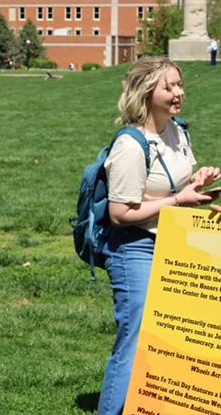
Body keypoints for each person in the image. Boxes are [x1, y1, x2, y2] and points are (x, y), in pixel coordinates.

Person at [96, 56, 219, 415]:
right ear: (147, 92)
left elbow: (175, 184)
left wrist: (198, 182)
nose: (179, 93)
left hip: (174, 242)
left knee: (174, 337)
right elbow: (120, 214)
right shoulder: (131, 145)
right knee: (134, 340)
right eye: (170, 87)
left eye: (180, 85)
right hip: (135, 247)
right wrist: (180, 200)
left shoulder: (176, 130)